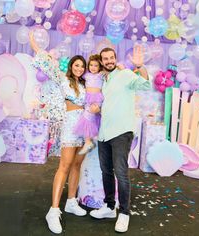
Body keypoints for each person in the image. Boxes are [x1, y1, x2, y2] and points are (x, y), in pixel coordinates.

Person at [29, 33, 99, 234]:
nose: (79, 68)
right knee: (65, 165)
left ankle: (71, 201)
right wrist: (36, 46)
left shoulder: (86, 85)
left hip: (85, 127)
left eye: (82, 66)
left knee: (77, 165)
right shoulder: (63, 80)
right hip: (69, 126)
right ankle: (53, 210)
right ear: (71, 67)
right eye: (76, 65)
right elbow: (48, 64)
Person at [89, 45, 150, 233]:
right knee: (106, 171)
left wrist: (140, 66)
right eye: (105, 58)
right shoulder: (104, 80)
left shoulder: (125, 75)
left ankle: (124, 213)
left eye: (111, 58)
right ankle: (109, 207)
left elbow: (145, 84)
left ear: (115, 58)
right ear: (101, 61)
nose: (109, 61)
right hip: (104, 133)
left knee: (121, 173)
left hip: (122, 132)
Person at [74, 54, 104, 155]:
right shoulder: (86, 75)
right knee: (87, 118)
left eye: (96, 65)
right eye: (91, 65)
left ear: (99, 66)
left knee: (90, 116)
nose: (93, 68)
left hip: (97, 98)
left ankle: (88, 142)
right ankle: (89, 141)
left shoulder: (101, 75)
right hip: (88, 98)